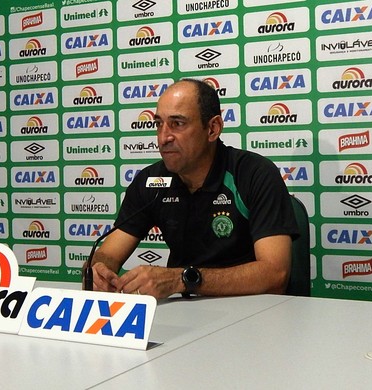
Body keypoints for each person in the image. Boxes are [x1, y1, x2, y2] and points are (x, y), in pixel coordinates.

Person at [87, 79, 298, 298]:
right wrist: (99, 270)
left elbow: (276, 275)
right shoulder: (151, 181)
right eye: (159, 124)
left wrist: (182, 279)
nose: (163, 137)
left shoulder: (254, 173)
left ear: (213, 129)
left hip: (250, 311)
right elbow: (109, 253)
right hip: (181, 312)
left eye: (177, 124)